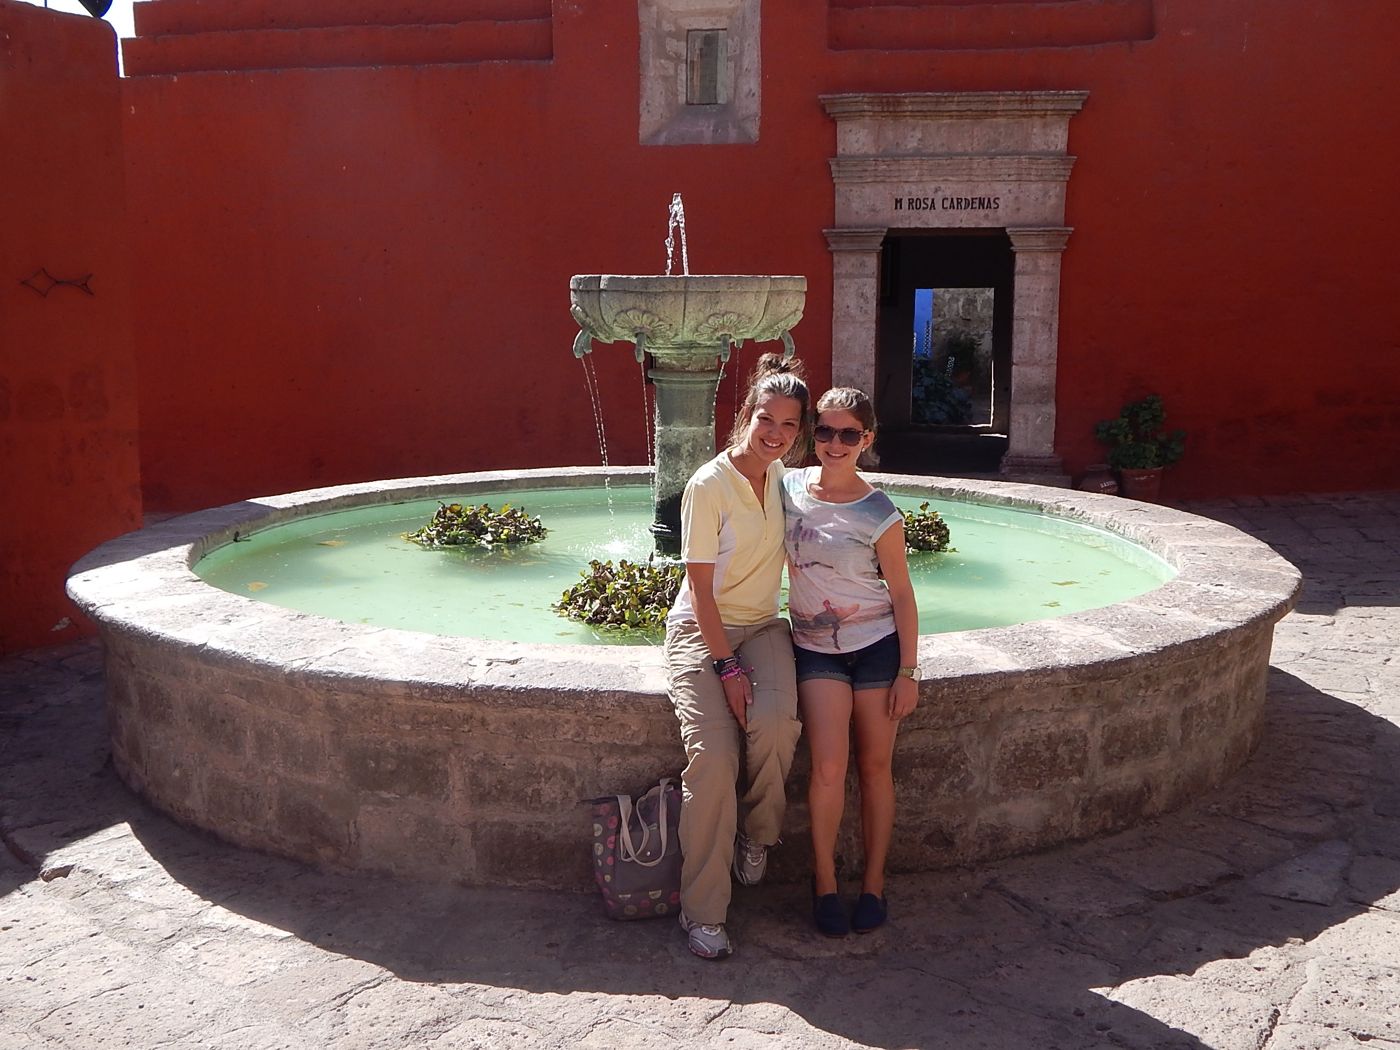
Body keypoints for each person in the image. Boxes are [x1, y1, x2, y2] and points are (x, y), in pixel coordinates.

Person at [664, 352, 811, 960]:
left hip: (764, 626)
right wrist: (725, 667)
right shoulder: (709, 485)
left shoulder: (782, 480)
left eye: (788, 425)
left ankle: (758, 836)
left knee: (776, 724)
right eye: (765, 419)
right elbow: (701, 591)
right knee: (714, 758)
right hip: (702, 631)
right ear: (746, 414)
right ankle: (701, 909)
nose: (775, 433)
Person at [780, 387, 919, 936]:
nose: (834, 443)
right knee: (829, 767)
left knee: (876, 768)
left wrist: (908, 672)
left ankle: (874, 885)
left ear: (867, 439)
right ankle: (824, 883)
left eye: (848, 434)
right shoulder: (788, 487)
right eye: (824, 431)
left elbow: (902, 594)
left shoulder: (879, 512)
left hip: (878, 647)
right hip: (817, 650)